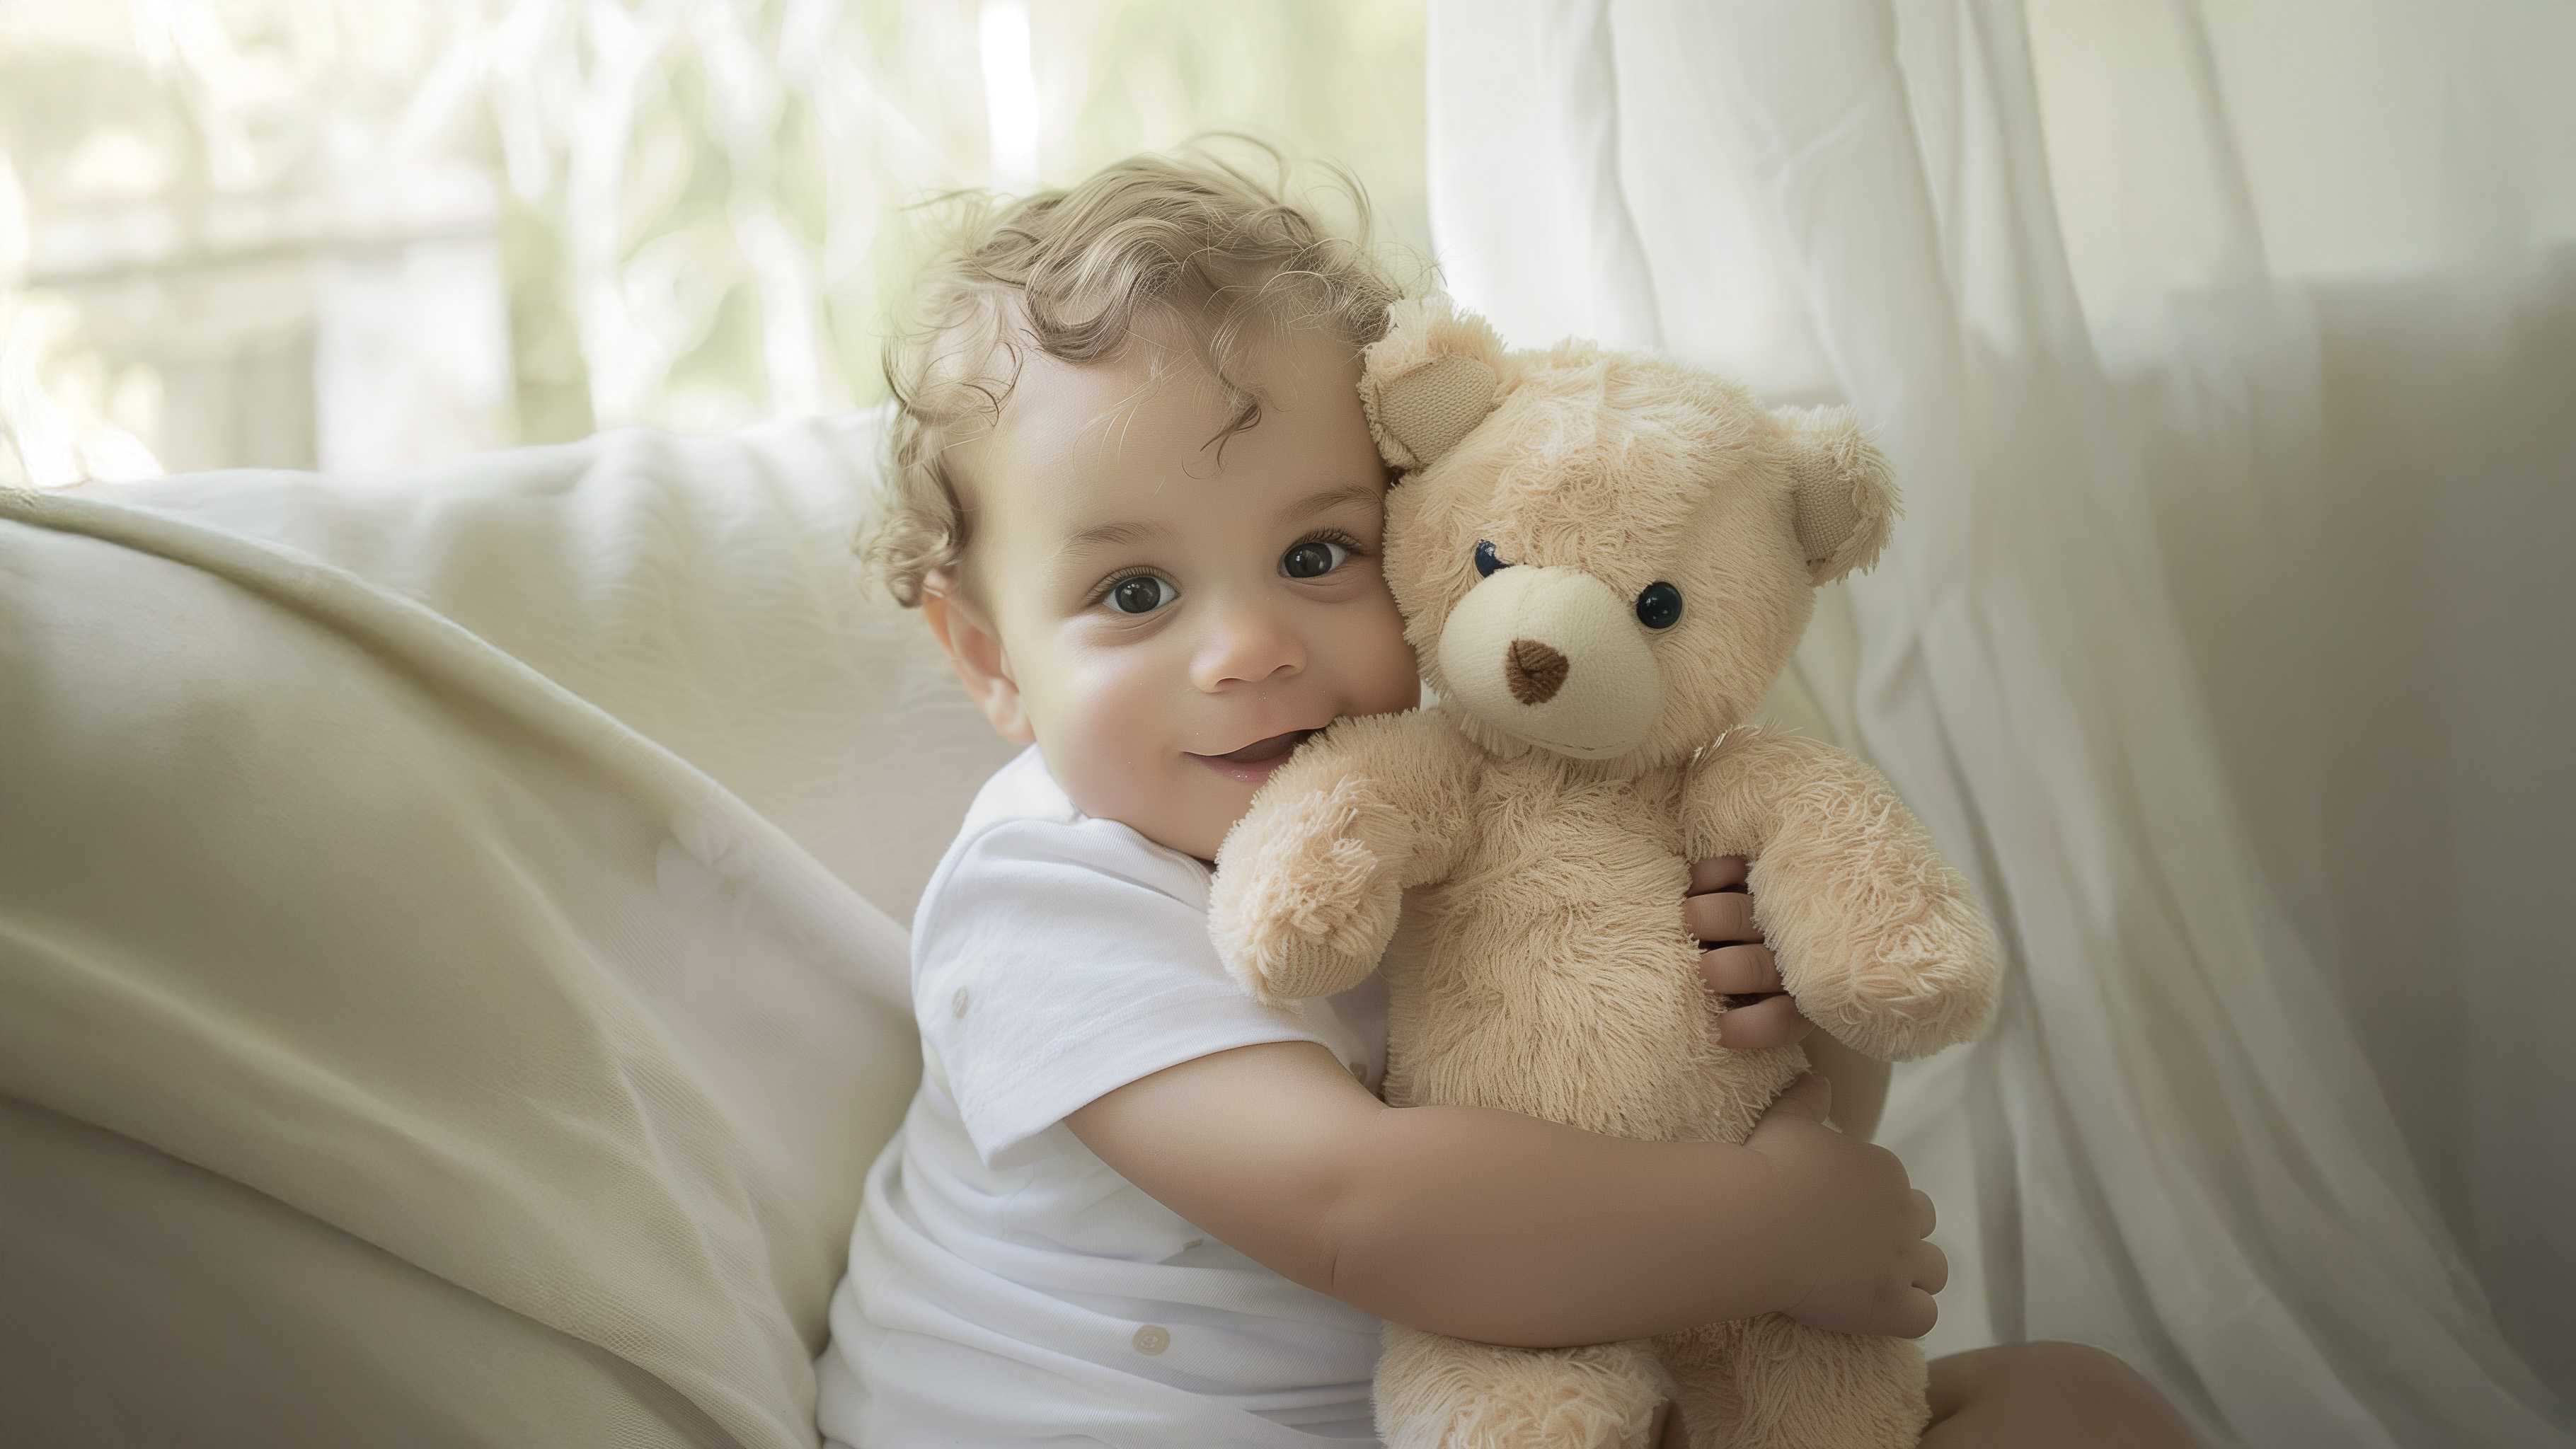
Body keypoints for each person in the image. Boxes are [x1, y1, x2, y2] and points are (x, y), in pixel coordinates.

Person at [815, 143, 2200, 1448]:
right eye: (1134, 592)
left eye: (1317, 555)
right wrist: (1771, 1226)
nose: (1247, 648)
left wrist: (1792, 1013)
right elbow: (1361, 1209)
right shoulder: (1045, 897)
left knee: (2074, 1406)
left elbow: (1749, 1129)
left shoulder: (1483, 813)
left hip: (1503, 1400)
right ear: (990, 660)